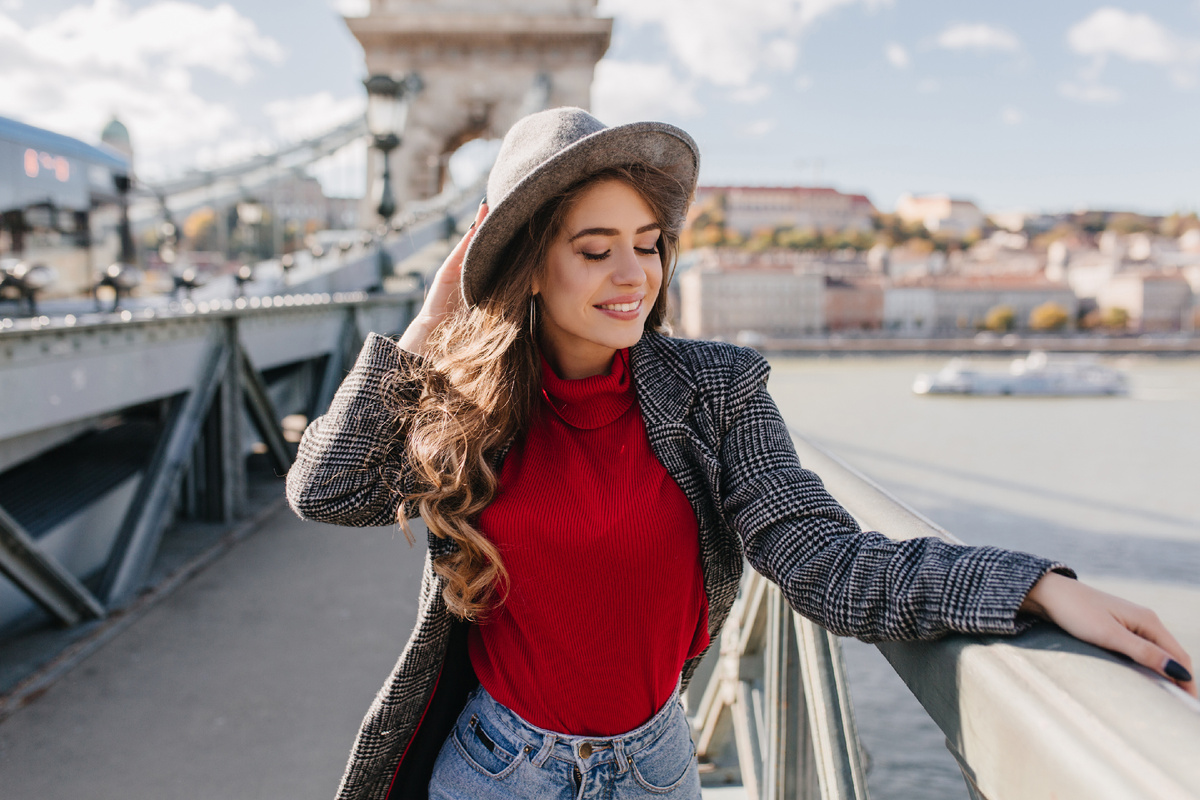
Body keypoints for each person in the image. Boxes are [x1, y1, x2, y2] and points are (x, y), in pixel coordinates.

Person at [285, 107, 1195, 800]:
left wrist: (1034, 586)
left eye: (648, 245)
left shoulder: (713, 391)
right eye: (596, 249)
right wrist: (432, 320)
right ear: (528, 262)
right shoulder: (472, 404)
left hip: (655, 766)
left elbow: (824, 561)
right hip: (497, 766)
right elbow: (327, 489)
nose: (634, 274)